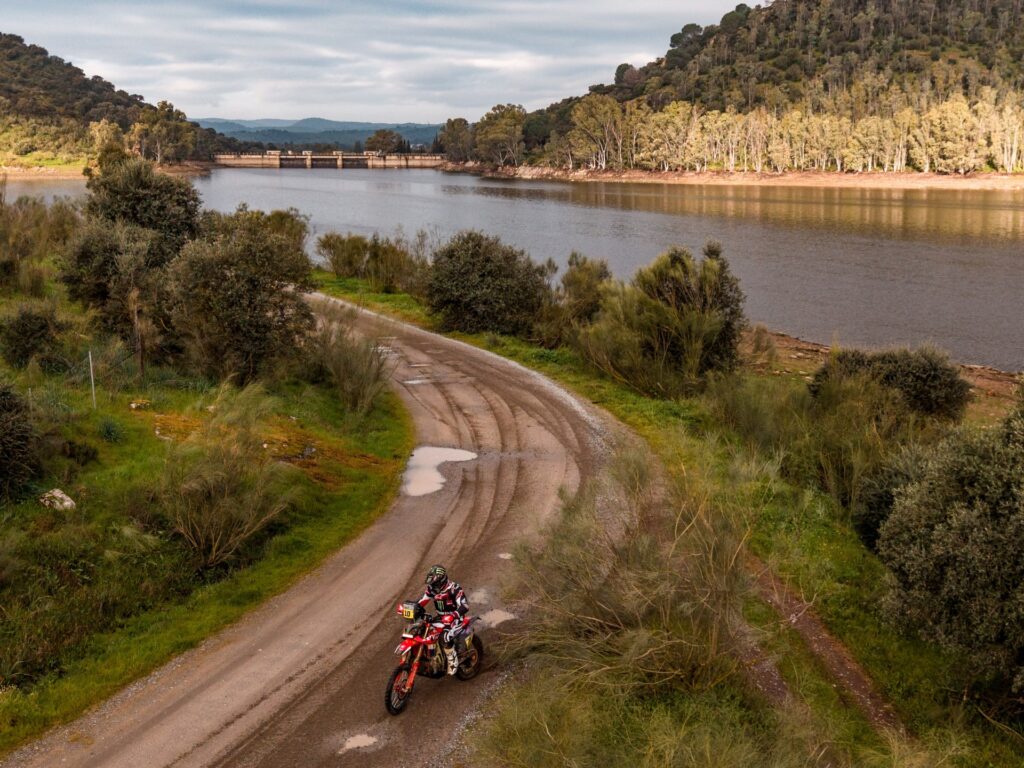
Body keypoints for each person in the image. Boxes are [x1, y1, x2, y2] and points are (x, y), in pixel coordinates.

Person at [418, 564, 469, 675]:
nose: (432, 585)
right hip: (441, 618)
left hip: (456, 618)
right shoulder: (432, 589)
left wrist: (453, 615)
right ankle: (431, 657)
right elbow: (422, 601)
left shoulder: (454, 588)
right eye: (432, 583)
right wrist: (413, 608)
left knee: (444, 636)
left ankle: (452, 661)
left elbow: (465, 606)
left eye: (434, 583)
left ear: (441, 580)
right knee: (423, 630)